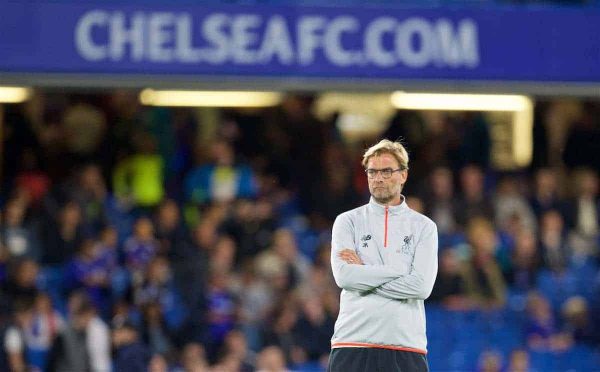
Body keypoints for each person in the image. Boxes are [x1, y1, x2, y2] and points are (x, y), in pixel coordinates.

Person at [329, 139, 438, 372]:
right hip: (351, 343)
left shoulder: (424, 227)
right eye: (372, 171)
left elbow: (421, 287)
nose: (378, 178)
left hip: (406, 347)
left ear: (403, 175)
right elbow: (345, 278)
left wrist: (365, 273)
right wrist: (399, 271)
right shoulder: (347, 221)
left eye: (387, 171)